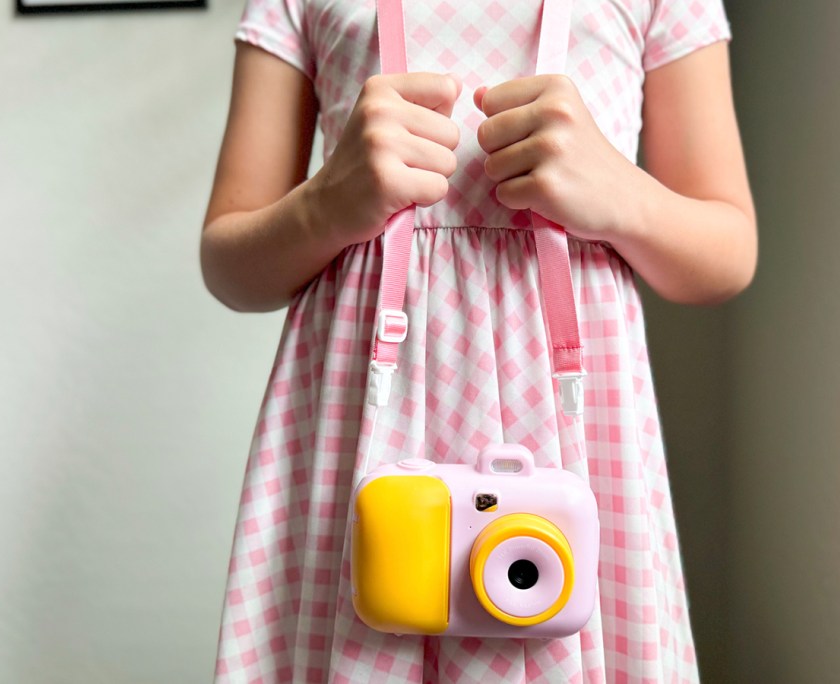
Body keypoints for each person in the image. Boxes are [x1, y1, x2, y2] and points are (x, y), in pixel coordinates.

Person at [201, 0, 756, 681]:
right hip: (364, 433)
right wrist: (327, 203)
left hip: (574, 432)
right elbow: (229, 265)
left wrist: (621, 194)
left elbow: (728, 254)